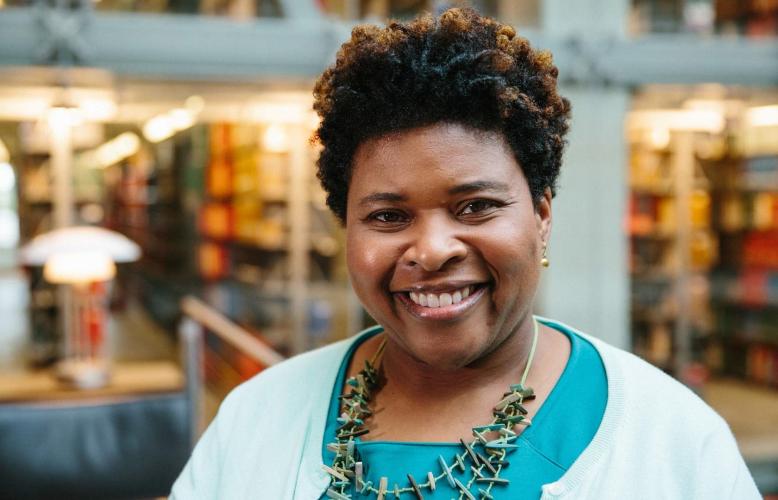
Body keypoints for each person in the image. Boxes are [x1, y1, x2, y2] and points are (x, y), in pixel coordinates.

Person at [171, 8, 760, 499]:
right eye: (387, 217)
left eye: (475, 206)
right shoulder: (255, 420)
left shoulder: (672, 442)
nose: (430, 251)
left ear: (542, 216)